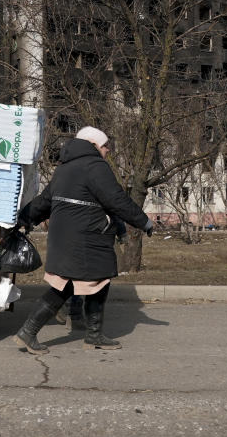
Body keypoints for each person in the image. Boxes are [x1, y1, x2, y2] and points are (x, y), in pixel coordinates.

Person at [13, 126, 154, 353]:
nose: (108, 150)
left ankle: (94, 335)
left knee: (96, 283)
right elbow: (116, 200)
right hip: (87, 238)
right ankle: (28, 333)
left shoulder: (64, 168)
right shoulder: (95, 167)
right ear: (94, 144)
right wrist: (143, 221)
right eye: (105, 145)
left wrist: (23, 218)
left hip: (65, 237)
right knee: (66, 287)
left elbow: (45, 200)